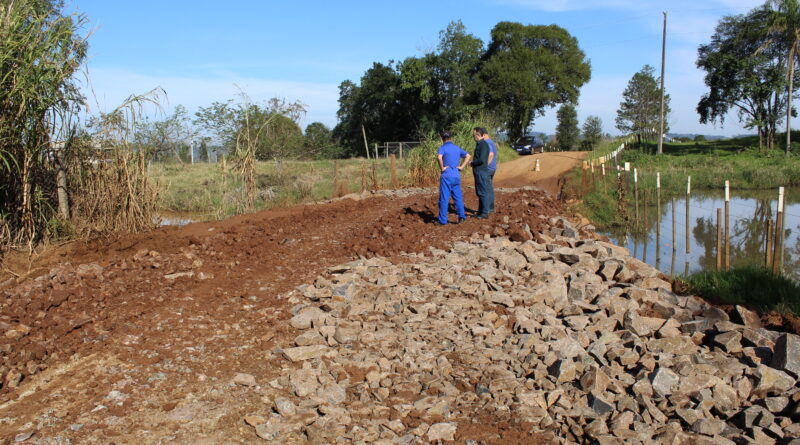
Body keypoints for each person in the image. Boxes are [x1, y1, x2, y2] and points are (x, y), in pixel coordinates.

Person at [436, 131, 470, 225]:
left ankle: (442, 221)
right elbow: (468, 156)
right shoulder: (457, 148)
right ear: (451, 138)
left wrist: (442, 168)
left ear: (442, 139)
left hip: (446, 175)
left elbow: (439, 157)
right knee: (458, 197)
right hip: (456, 175)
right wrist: (462, 167)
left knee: (444, 198)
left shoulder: (442, 148)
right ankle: (462, 217)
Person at [470, 127, 491, 218]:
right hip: (479, 171)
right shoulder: (480, 144)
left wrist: (472, 163)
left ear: (478, 135)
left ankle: (485, 213)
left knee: (482, 191)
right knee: (480, 191)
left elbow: (482, 160)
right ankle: (480, 211)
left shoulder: (483, 145)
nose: (473, 136)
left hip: (481, 172)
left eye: (474, 135)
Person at [482, 128, 497, 214]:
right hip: (492, 168)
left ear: (484, 135)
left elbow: (491, 154)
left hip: (488, 169)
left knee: (486, 188)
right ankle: (490, 208)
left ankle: (487, 209)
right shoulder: (491, 142)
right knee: (489, 188)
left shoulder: (487, 142)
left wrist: (485, 166)